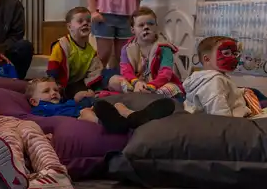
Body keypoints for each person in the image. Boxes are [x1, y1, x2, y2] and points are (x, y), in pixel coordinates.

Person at [0, 94, 74, 189]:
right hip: (0, 128)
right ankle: (18, 174)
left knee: (35, 139)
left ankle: (56, 173)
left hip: (22, 123)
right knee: (9, 140)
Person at [26, 77, 174, 135]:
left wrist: (89, 99)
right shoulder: (40, 109)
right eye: (46, 91)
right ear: (34, 101)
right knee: (88, 112)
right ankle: (126, 122)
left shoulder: (67, 102)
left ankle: (133, 115)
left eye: (56, 90)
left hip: (93, 111)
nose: (53, 93)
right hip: (79, 119)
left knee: (116, 104)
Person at [183, 36, 267, 118]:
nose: (233, 57)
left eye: (235, 53)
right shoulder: (213, 81)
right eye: (226, 53)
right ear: (207, 59)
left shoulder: (214, 77)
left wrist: (240, 92)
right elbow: (219, 115)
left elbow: (224, 92)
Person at [109, 7, 183, 98]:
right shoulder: (126, 49)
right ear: (133, 30)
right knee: (113, 80)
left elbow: (166, 73)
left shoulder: (164, 48)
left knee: (173, 88)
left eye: (150, 24)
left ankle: (147, 95)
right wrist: (136, 82)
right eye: (141, 25)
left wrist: (151, 85)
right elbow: (126, 71)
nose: (146, 27)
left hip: (158, 85)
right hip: (136, 83)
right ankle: (138, 93)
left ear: (156, 26)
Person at [47, 7, 105, 100]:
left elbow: (94, 72)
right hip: (63, 85)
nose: (85, 23)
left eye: (88, 21)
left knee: (105, 76)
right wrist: (56, 87)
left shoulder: (91, 51)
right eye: (80, 21)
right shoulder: (62, 45)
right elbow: (52, 70)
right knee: (81, 95)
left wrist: (96, 88)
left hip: (79, 82)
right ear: (69, 27)